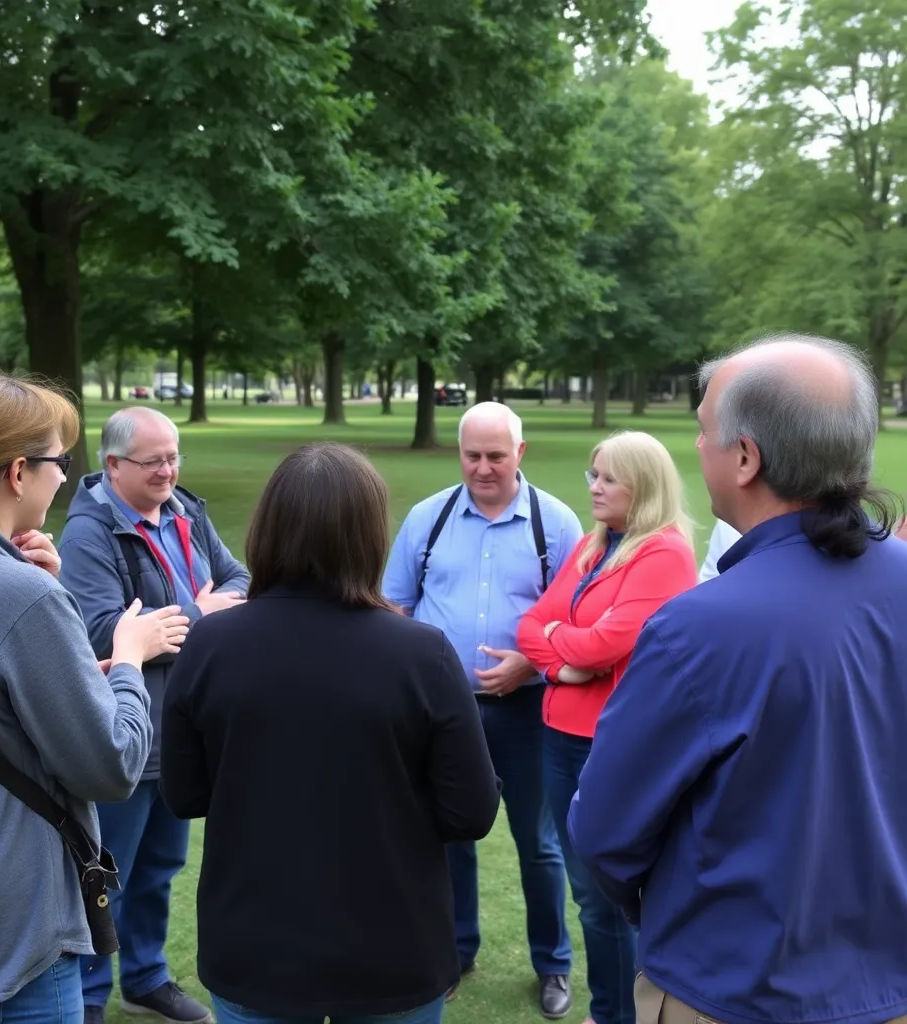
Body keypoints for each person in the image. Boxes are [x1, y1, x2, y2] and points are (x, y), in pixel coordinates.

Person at [568, 335, 907, 1024]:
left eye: (703, 430)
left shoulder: (698, 628)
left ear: (746, 458)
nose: (698, 446)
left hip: (733, 992)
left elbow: (603, 831)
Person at [0, 370, 187, 1023]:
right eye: (60, 464)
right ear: (19, 474)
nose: (63, 479)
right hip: (3, 949)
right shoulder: (20, 597)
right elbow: (110, 766)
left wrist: (55, 624)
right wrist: (129, 659)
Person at [159, 442, 500, 1024]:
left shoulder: (212, 645)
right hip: (391, 949)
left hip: (256, 946)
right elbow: (470, 811)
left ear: (268, 528)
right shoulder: (423, 655)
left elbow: (185, 793)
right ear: (370, 535)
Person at [382, 401, 583, 1019]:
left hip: (527, 711)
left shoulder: (556, 523)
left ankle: (552, 963)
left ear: (520, 453)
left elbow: (577, 623)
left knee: (539, 842)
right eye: (472, 455)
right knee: (447, 837)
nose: (483, 468)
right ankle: (454, 952)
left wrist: (530, 662)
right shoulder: (429, 517)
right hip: (441, 712)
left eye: (497, 456)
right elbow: (395, 607)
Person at [58, 407, 251, 1024]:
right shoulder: (88, 535)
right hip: (124, 732)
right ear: (113, 465)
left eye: (173, 457)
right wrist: (199, 614)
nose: (168, 471)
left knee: (161, 866)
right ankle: (88, 997)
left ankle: (145, 979)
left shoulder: (185, 510)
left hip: (185, 731)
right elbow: (100, 633)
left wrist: (178, 621)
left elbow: (240, 578)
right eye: (154, 462)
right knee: (105, 872)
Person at [516, 430, 697, 1024]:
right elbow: (531, 623)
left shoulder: (664, 553)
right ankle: (610, 1008)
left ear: (641, 487)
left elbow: (608, 643)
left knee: (608, 895)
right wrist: (560, 663)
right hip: (560, 737)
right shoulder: (595, 545)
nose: (593, 487)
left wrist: (562, 643)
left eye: (607, 478)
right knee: (586, 890)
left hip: (610, 744)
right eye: (592, 474)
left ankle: (620, 1013)